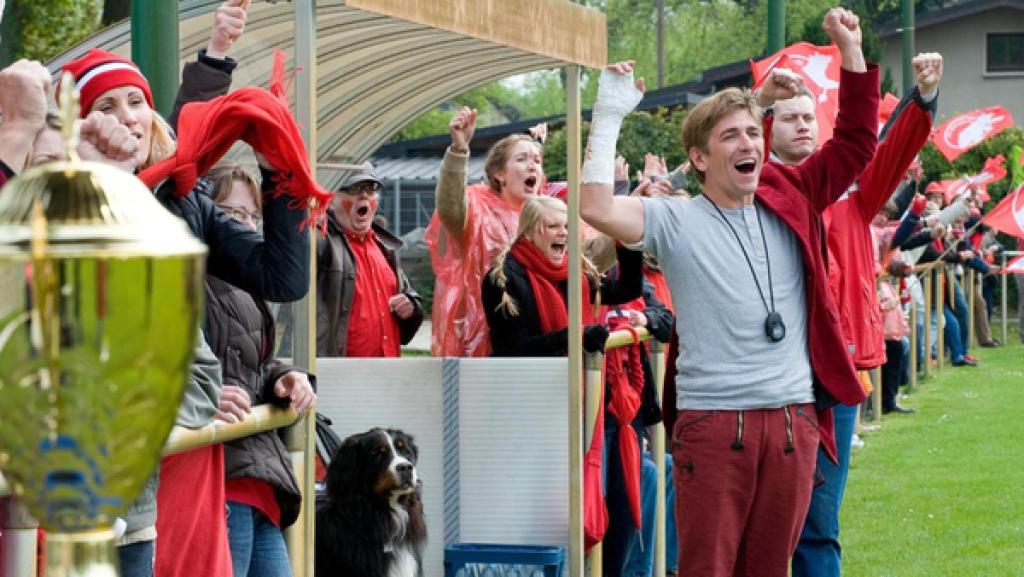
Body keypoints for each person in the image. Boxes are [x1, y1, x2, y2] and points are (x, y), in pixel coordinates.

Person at [579, 7, 875, 575]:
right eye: (731, 135)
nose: (750, 143)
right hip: (714, 423)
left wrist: (851, 52)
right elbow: (594, 207)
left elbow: (859, 142)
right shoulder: (673, 219)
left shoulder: (794, 192)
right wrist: (610, 111)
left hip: (793, 422)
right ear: (698, 157)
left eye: (752, 131)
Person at [56, 2, 314, 575]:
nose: (128, 118)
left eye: (137, 102)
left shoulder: (185, 196)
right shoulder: (72, 217)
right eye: (106, 106)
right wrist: (216, 56)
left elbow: (284, 279)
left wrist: (279, 165)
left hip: (195, 447)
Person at [761, 50, 942, 576]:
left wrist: (924, 96)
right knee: (766, 526)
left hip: (833, 378)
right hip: (768, 375)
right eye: (790, 116)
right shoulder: (747, 195)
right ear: (764, 128)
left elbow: (889, 147)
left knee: (820, 525)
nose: (804, 125)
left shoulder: (853, 192)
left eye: (809, 117)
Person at [203, 163, 316, 577]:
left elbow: (249, 366)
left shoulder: (245, 286)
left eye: (253, 216)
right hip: (223, 480)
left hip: (256, 478)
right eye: (232, 215)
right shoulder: (195, 280)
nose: (247, 225)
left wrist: (284, 378)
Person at [427, 107, 545, 357]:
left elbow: (589, 257)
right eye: (522, 159)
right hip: (481, 344)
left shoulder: (549, 217)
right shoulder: (478, 208)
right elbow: (450, 208)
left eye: (537, 160)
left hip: (536, 341)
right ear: (499, 174)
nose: (532, 166)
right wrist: (459, 150)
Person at [316, 162, 424, 357]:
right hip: (340, 376)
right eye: (353, 188)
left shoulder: (385, 247)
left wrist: (411, 306)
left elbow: (409, 296)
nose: (364, 195)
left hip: (386, 373)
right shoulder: (322, 243)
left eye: (370, 189)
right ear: (331, 199)